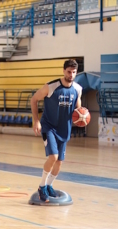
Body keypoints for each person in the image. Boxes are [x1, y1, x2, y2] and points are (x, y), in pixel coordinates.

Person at [30, 59, 82, 202]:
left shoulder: (78, 89)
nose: (71, 75)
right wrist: (36, 120)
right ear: (63, 71)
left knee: (59, 162)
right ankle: (41, 187)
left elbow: (78, 109)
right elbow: (34, 100)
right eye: (69, 72)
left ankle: (49, 186)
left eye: (74, 72)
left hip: (64, 130)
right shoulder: (51, 87)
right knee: (53, 157)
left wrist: (82, 117)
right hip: (49, 127)